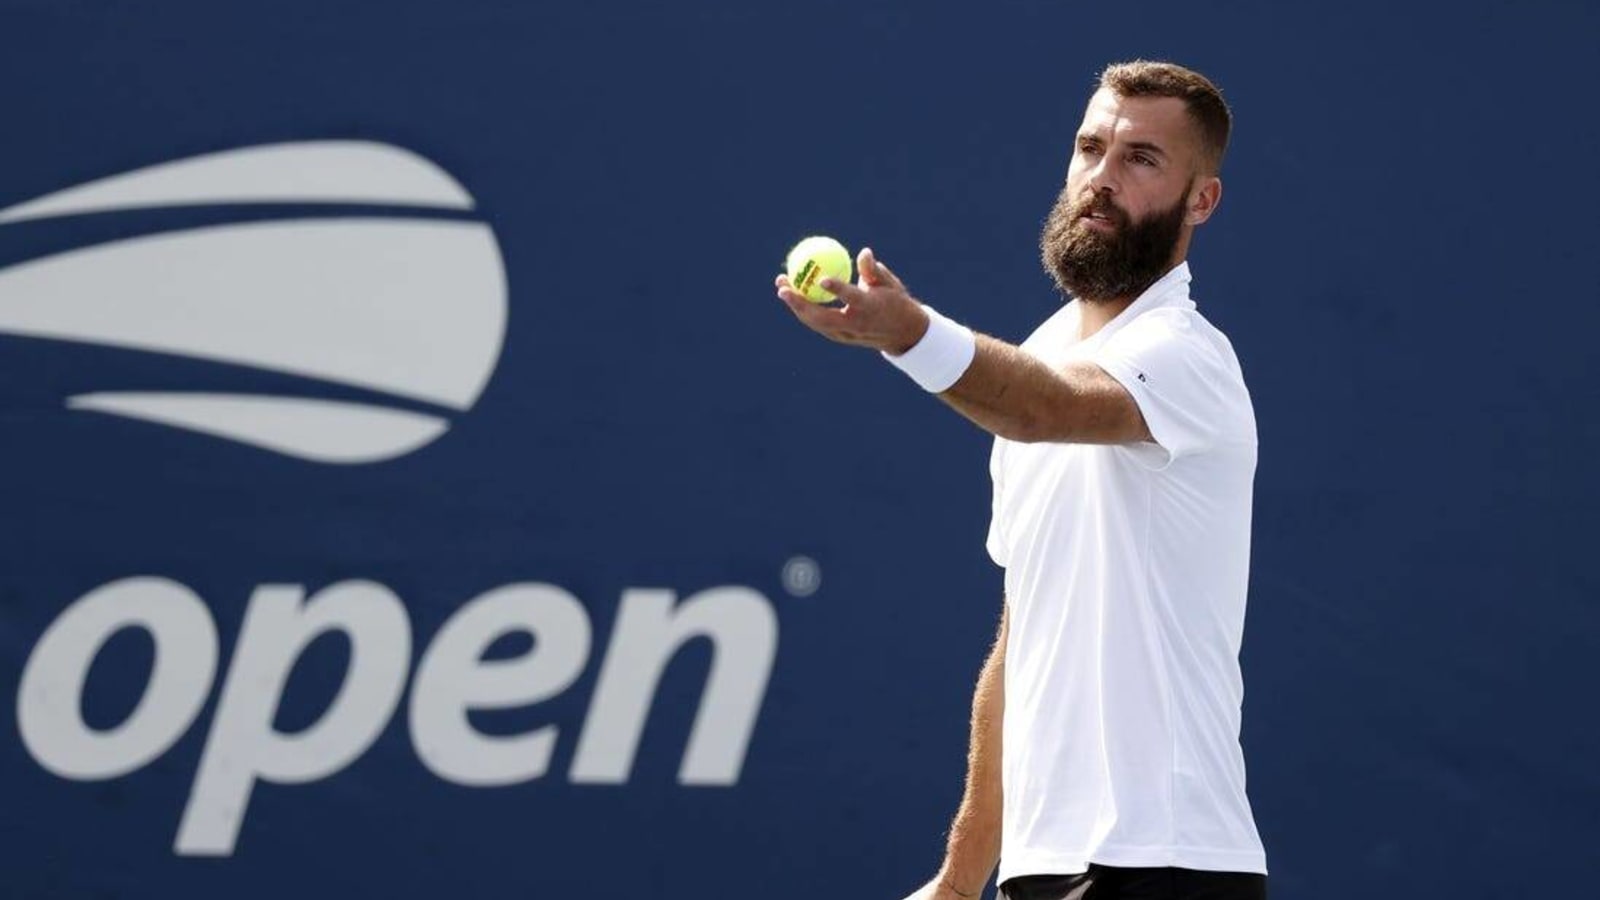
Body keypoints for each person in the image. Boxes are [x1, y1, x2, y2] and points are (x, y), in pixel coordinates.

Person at [775, 60, 1267, 900]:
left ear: (1201, 201)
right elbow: (1023, 641)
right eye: (1090, 148)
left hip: (1169, 861)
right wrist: (963, 876)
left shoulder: (1187, 356)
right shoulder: (1034, 358)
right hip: (1042, 869)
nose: (1102, 179)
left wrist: (910, 335)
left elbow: (1045, 410)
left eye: (1142, 160)